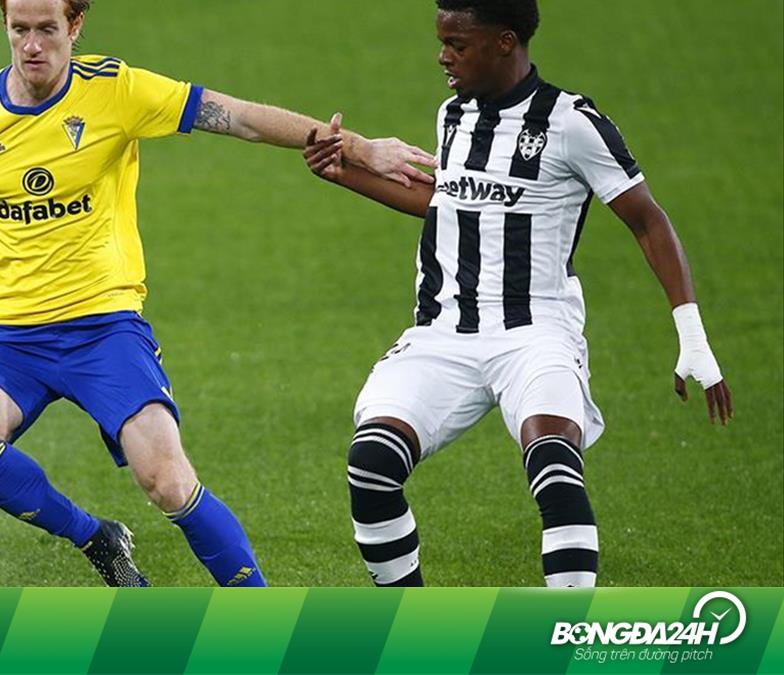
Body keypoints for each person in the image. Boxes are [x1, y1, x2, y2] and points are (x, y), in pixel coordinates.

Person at [0, 0, 435, 587]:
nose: (32, 45)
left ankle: (262, 613)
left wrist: (358, 147)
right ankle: (96, 538)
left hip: (104, 327)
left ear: (76, 24)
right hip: (5, 333)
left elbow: (241, 117)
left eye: (47, 29)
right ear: (4, 23)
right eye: (19, 29)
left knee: (167, 481)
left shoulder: (116, 90)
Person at [302, 0, 732, 587]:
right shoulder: (453, 114)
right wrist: (344, 174)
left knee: (555, 468)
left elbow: (647, 220)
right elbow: (451, 204)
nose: (443, 56)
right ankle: (410, 625)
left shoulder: (572, 123)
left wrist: (692, 335)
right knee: (371, 465)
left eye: (457, 44)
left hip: (536, 335)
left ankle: (568, 633)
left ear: (504, 42)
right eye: (442, 42)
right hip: (443, 333)